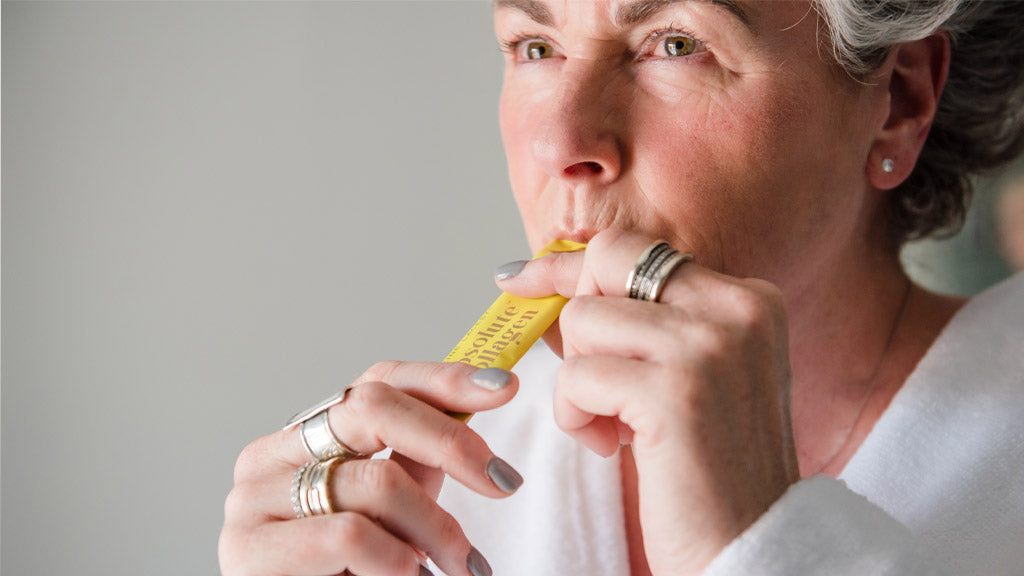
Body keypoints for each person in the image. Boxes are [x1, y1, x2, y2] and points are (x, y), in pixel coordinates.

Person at [219, 1, 1024, 575]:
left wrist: (763, 549)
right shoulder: (408, 499)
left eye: (675, 42)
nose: (561, 141)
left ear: (899, 102)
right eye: (536, 46)